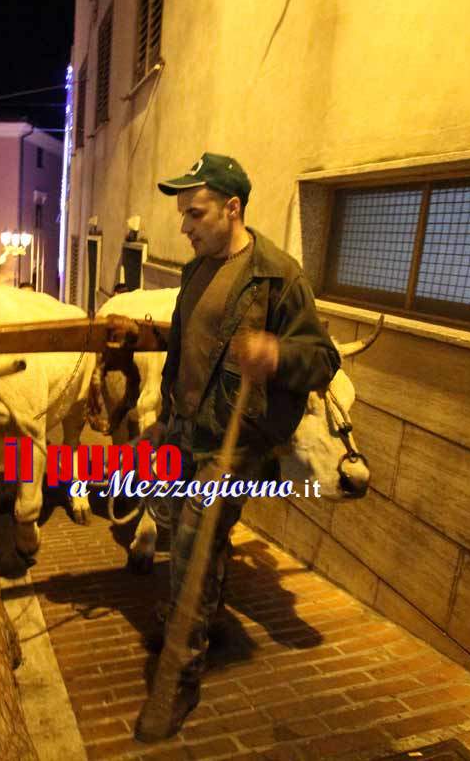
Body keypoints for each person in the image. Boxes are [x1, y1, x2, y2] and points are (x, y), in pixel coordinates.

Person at [136, 153, 341, 739]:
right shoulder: (198, 269)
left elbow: (323, 360)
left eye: (194, 213)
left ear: (232, 208)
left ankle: (179, 677)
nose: (184, 226)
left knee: (194, 551)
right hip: (186, 430)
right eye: (183, 215)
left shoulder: (280, 275)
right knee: (182, 534)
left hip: (232, 448)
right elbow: (183, 351)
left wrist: (277, 355)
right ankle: (195, 615)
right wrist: (165, 414)